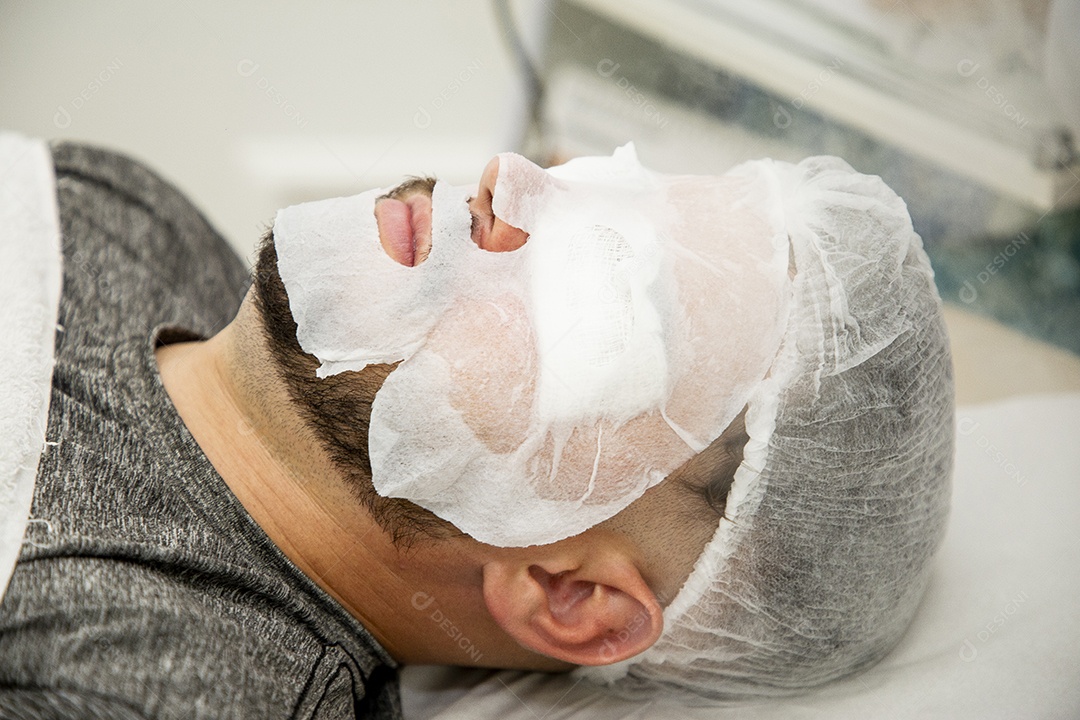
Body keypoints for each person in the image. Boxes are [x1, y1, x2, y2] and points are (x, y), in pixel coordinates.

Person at [0, 138, 953, 718]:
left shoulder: (146, 688)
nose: (507, 184)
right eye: (595, 184)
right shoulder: (130, 214)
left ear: (569, 595)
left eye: (610, 284)